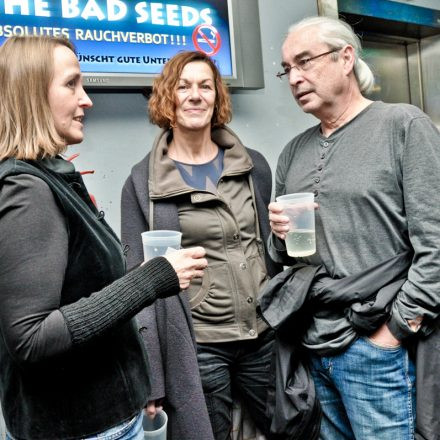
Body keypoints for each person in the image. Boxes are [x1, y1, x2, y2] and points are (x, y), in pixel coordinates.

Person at [0, 35, 208, 440]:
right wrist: (152, 278)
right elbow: (32, 337)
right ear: (31, 93)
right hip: (82, 428)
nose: (86, 99)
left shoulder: (50, 174)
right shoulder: (25, 190)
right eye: (71, 84)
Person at [268, 16, 440, 440]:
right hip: (314, 345)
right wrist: (279, 236)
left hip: (377, 349)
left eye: (305, 61)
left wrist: (394, 332)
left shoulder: (403, 126)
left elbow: (436, 245)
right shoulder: (294, 151)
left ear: (346, 58)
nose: (295, 77)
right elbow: (289, 259)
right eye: (287, 68)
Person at [121, 50, 281, 440]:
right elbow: (136, 284)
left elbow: (271, 251)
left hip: (263, 336)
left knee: (292, 427)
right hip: (201, 345)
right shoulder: (142, 184)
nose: (195, 95)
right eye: (183, 86)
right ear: (167, 97)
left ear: (217, 97)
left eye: (205, 86)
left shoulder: (253, 167)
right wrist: (153, 379)